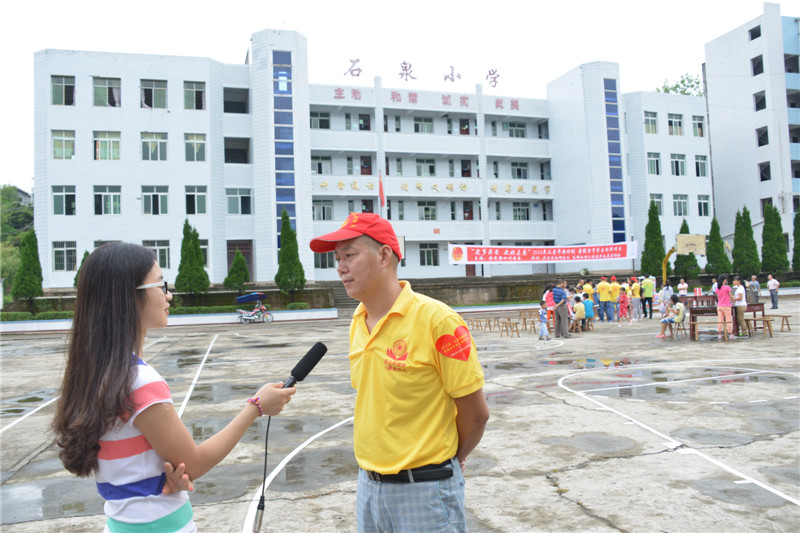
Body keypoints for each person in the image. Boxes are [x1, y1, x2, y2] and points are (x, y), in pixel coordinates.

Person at [52, 243, 296, 532]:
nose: (169, 295)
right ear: (129, 297)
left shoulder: (96, 373)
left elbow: (137, 467)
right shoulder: (138, 381)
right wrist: (255, 407)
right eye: (160, 285)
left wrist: (166, 475)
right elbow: (193, 464)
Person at [309, 212, 489, 533]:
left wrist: (450, 459)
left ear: (383, 256)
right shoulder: (358, 321)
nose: (340, 267)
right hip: (368, 486)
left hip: (425, 491)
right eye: (337, 259)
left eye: (349, 255)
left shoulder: (439, 321)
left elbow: (475, 414)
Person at [715, 274, 733, 340]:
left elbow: (718, 297)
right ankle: (730, 333)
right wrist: (732, 298)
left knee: (720, 320)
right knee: (728, 320)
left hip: (719, 305)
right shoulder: (727, 287)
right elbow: (731, 296)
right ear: (724, 280)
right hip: (726, 305)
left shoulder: (717, 288)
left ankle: (719, 334)